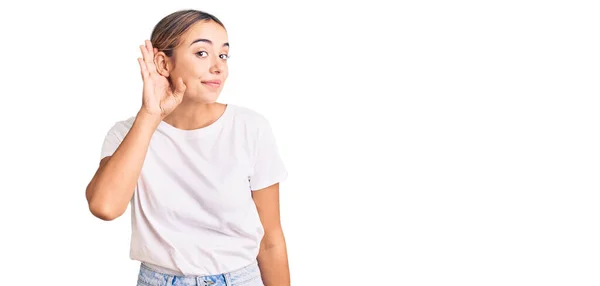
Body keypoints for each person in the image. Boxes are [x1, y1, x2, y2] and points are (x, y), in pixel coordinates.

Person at [85, 9, 290, 286]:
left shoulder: (250, 128)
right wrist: (149, 115)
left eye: (224, 55)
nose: (218, 66)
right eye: (202, 53)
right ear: (163, 63)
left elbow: (271, 241)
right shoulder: (126, 134)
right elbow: (105, 207)